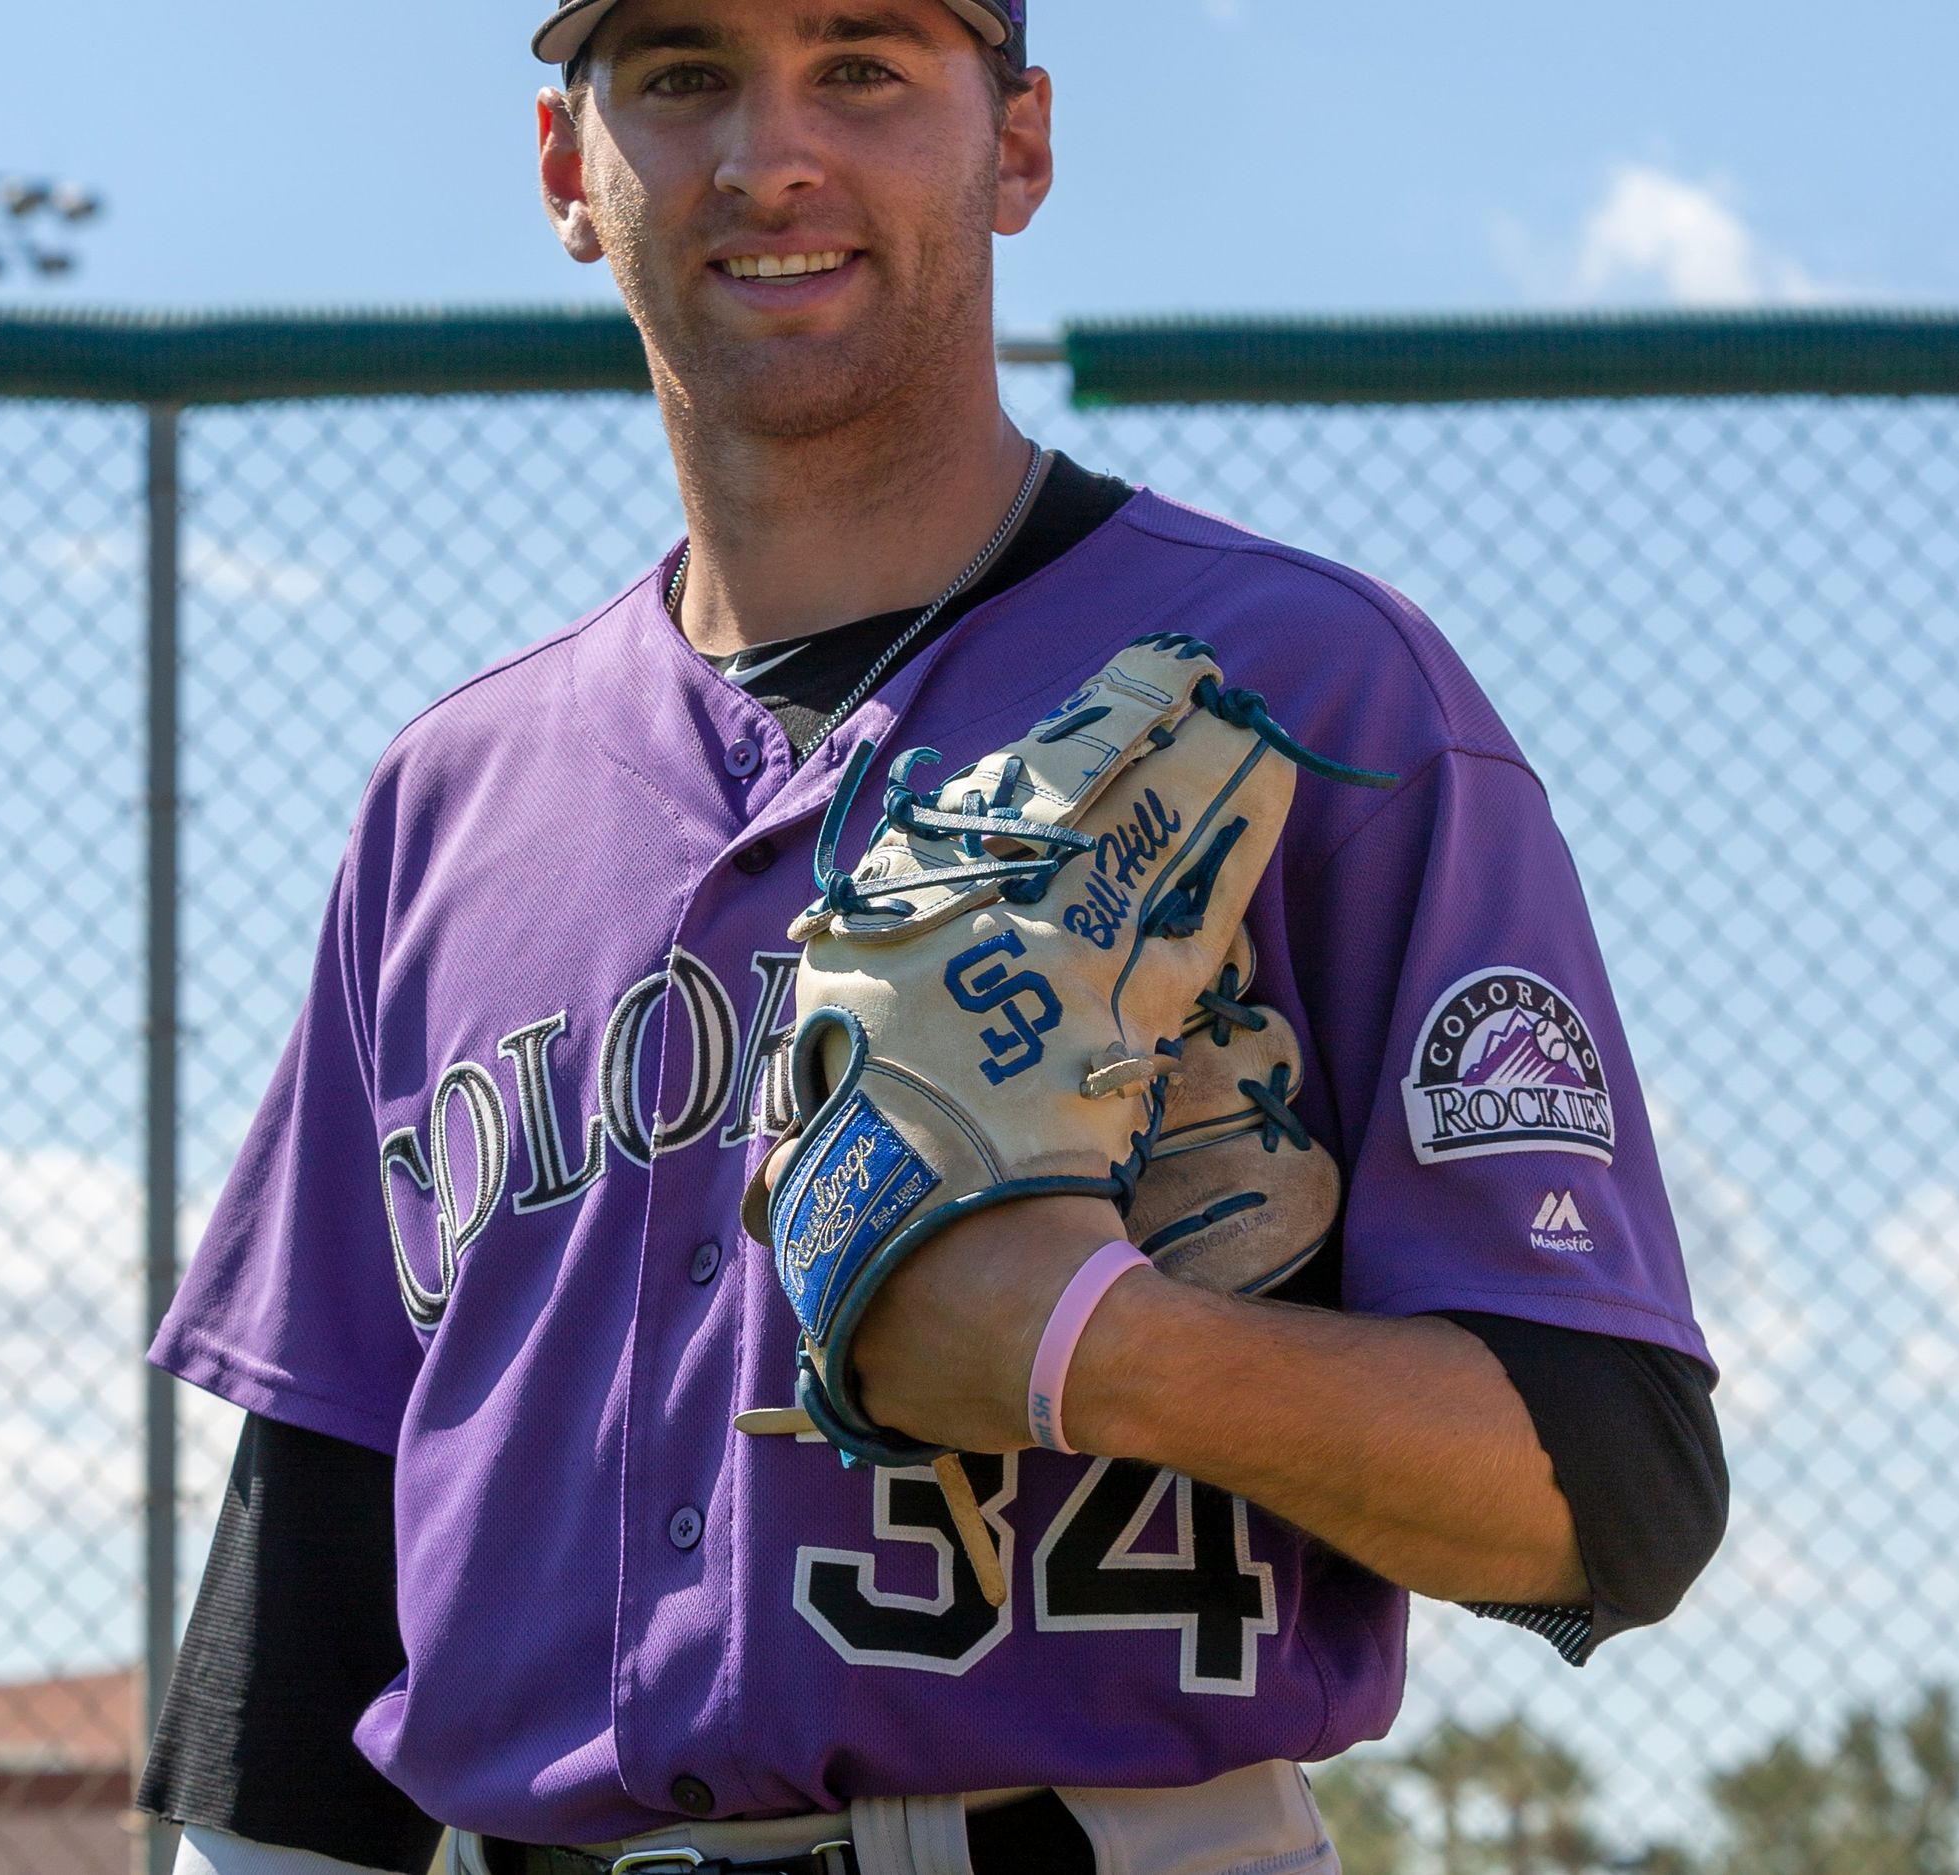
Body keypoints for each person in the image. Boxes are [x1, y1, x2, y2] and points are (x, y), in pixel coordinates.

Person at [137, 4, 1731, 1872]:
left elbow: (1613, 1487)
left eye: (866, 66)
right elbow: (321, 1553)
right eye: (680, 76)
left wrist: (1093, 1345)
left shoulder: (1303, 694)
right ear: (574, 172)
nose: (768, 155)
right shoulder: (452, 796)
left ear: (1022, 149)